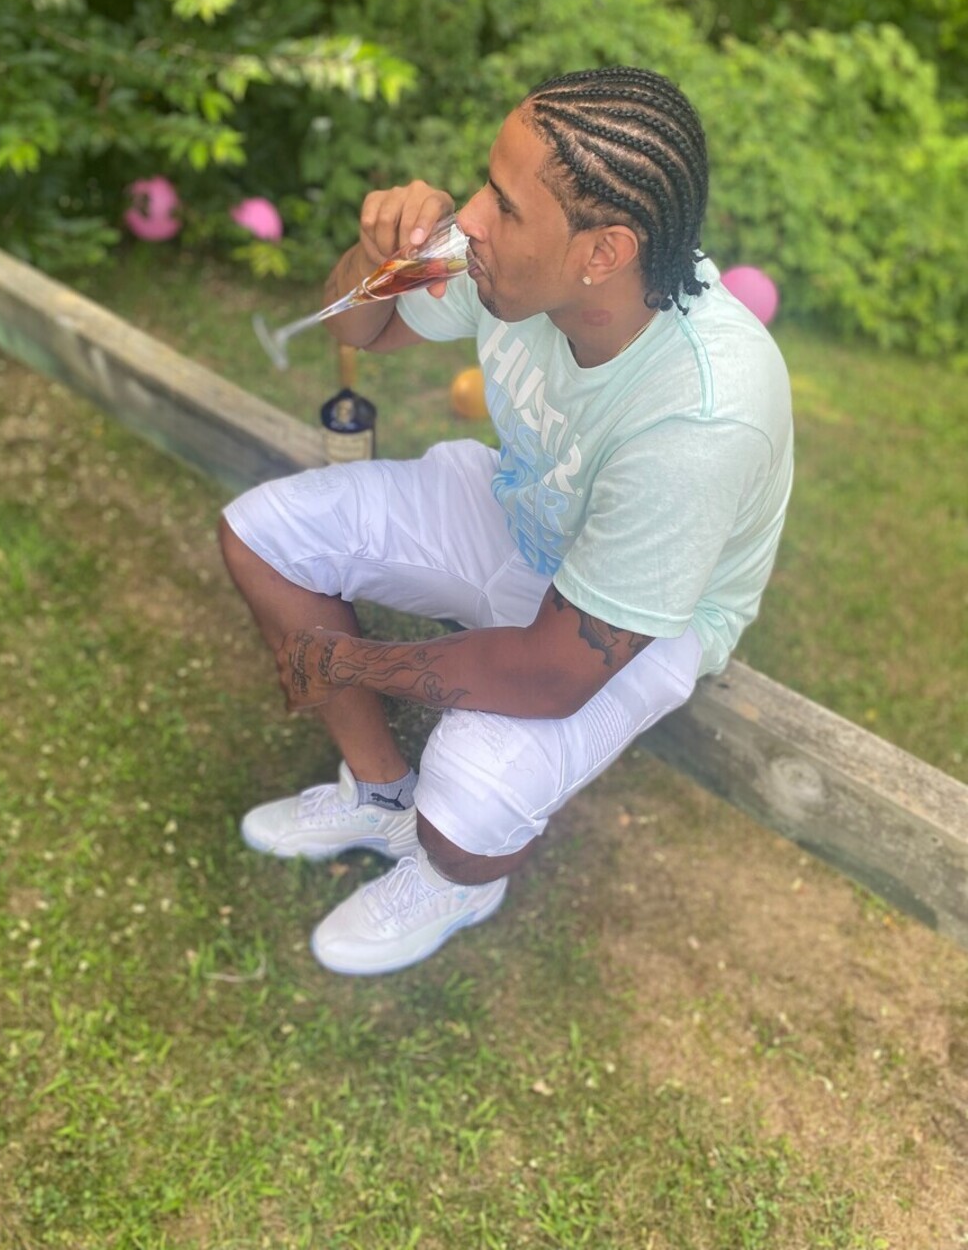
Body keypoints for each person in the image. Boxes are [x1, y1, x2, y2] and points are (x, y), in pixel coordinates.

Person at [219, 66, 793, 976]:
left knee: (467, 800)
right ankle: (380, 797)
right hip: (522, 508)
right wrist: (373, 255)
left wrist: (346, 662)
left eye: (506, 205)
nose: (471, 218)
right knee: (262, 534)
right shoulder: (508, 268)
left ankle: (457, 881)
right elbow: (364, 331)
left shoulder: (702, 415)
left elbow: (553, 675)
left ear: (602, 254)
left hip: (648, 621)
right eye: (486, 184)